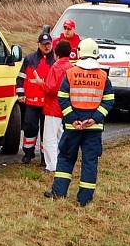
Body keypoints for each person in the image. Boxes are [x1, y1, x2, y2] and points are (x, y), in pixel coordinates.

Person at [44, 38, 114, 206]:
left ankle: (58, 192)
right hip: (93, 128)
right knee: (90, 161)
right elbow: (109, 100)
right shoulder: (103, 76)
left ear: (80, 53)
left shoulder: (71, 73)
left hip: (72, 126)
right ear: (96, 54)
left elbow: (62, 98)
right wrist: (94, 118)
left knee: (66, 158)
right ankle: (85, 199)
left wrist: (73, 119)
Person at [16, 32, 55, 164]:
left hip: (48, 103)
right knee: (30, 127)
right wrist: (20, 94)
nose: (46, 47)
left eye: (48, 44)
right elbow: (20, 78)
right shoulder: (29, 59)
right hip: (32, 102)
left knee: (47, 131)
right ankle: (28, 153)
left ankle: (45, 157)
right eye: (44, 45)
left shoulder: (55, 61)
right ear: (38, 45)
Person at [36, 40, 74, 173]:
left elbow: (50, 88)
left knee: (49, 138)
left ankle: (52, 166)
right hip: (66, 106)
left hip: (53, 107)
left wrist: (41, 83)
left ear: (56, 53)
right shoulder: (71, 68)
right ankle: (63, 161)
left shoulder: (56, 67)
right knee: (61, 136)